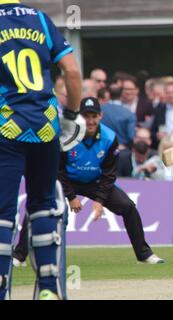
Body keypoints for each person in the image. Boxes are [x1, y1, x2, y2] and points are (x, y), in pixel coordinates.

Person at [0, 0, 86, 300]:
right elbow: (72, 73)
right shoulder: (39, 18)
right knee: (43, 203)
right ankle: (49, 289)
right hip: (45, 127)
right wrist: (73, 114)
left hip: (5, 125)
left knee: (2, 210)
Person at [14, 98, 164, 265]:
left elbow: (109, 174)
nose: (90, 121)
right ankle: (19, 256)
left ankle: (144, 255)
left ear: (100, 116)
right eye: (86, 116)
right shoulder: (67, 135)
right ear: (80, 116)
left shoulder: (109, 138)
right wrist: (71, 196)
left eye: (94, 116)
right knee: (38, 204)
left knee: (128, 207)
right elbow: (58, 169)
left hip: (95, 181)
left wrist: (100, 200)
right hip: (66, 181)